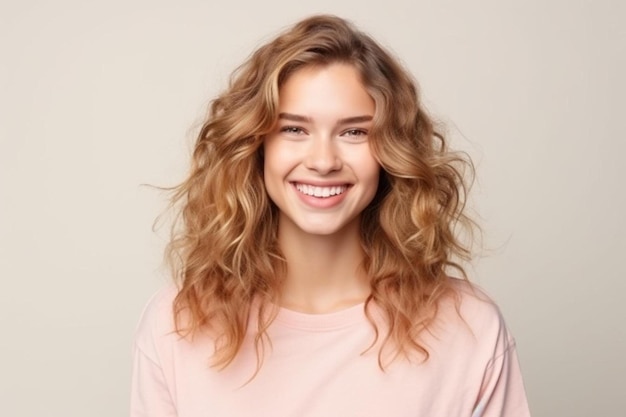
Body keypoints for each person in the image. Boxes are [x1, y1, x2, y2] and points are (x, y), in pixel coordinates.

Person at [130, 15, 531, 417]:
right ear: (256, 146)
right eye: (294, 130)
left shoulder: (469, 329)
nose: (323, 161)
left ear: (391, 152)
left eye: (354, 132)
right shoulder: (177, 323)